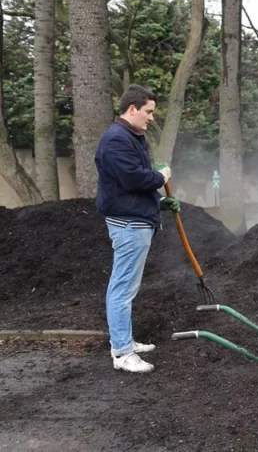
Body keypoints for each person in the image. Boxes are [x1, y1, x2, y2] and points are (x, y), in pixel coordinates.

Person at [95, 84, 181, 373]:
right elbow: (133, 179)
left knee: (127, 287)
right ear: (132, 109)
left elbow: (130, 187)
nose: (151, 118)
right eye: (148, 111)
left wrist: (158, 204)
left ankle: (125, 341)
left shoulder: (131, 136)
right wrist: (160, 176)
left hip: (136, 219)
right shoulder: (117, 139)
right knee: (122, 288)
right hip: (128, 225)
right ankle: (121, 352)